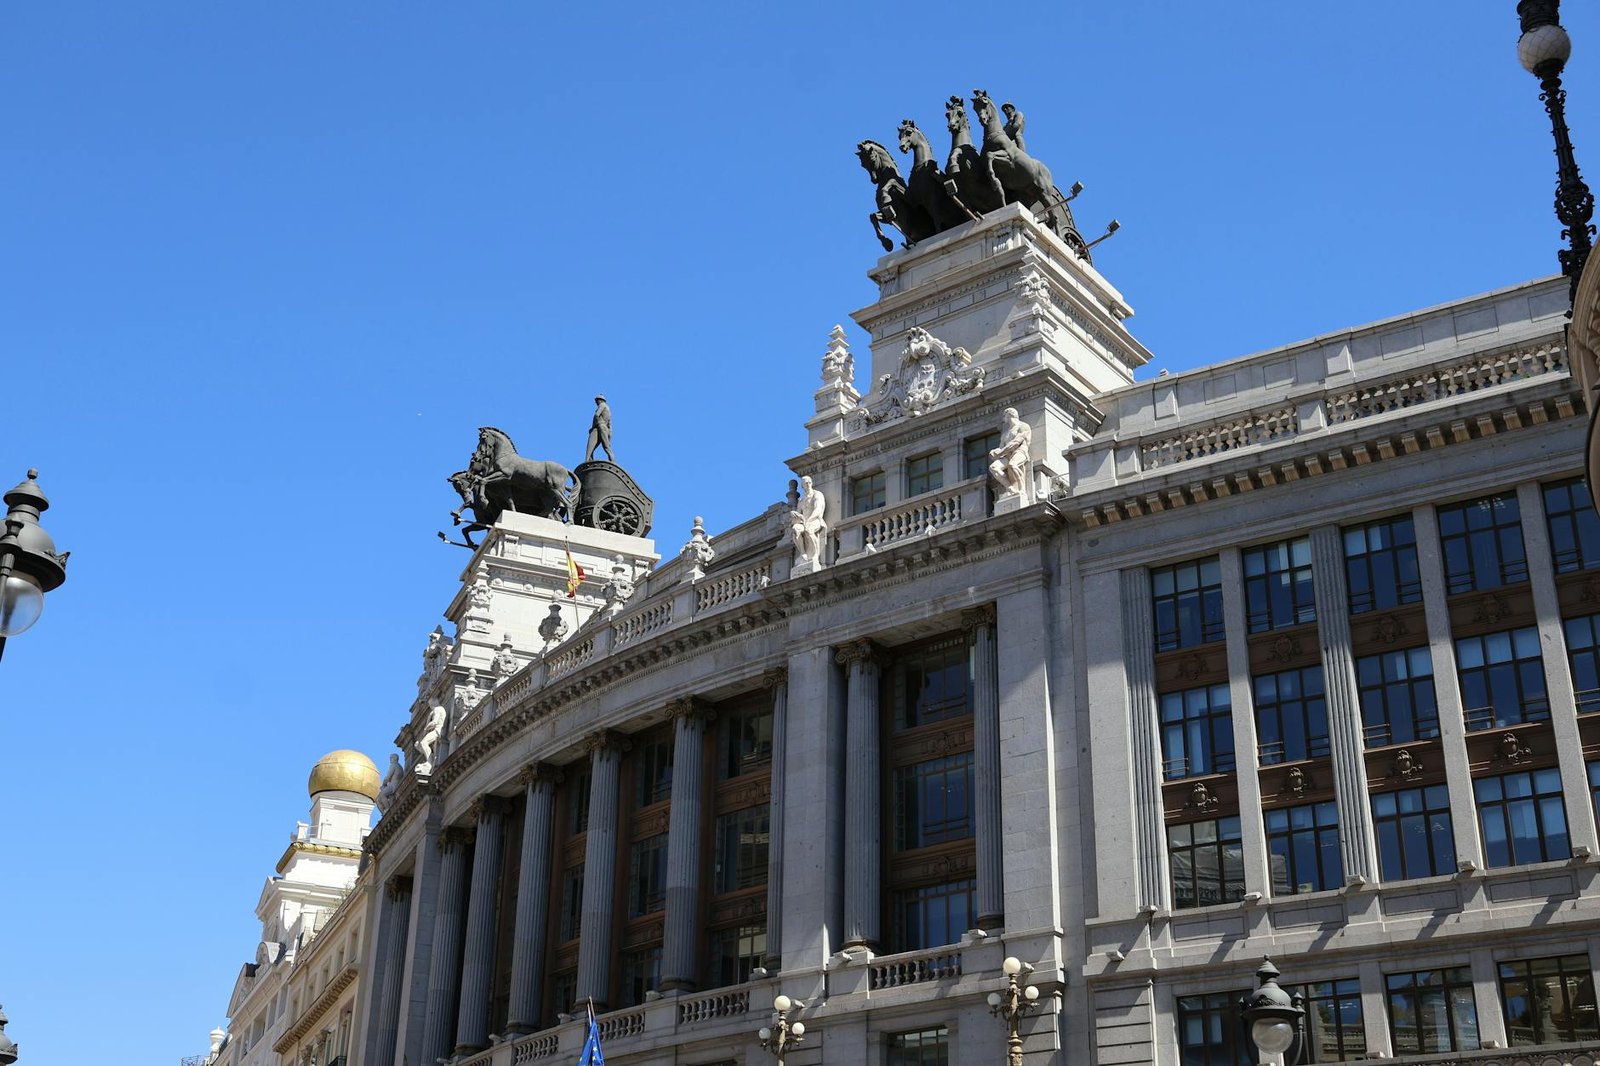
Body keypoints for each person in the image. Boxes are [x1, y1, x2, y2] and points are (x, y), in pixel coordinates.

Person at [988, 407, 1033, 497]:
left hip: (1020, 451)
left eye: (1004, 416)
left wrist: (1000, 452)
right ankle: (1011, 488)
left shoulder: (1023, 426)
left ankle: (1021, 489)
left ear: (1009, 415)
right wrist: (994, 452)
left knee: (1013, 465)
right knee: (993, 467)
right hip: (1007, 455)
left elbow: (1016, 443)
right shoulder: (1005, 434)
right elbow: (1001, 447)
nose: (1003, 418)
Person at [789, 475, 828, 567]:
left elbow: (818, 510)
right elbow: (799, 513)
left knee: (808, 530)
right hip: (804, 521)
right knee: (796, 529)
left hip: (816, 520)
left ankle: (815, 554)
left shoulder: (817, 494)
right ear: (802, 486)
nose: (808, 484)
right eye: (806, 483)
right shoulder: (801, 499)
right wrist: (795, 514)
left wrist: (809, 520)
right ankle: (803, 553)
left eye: (809, 482)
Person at [586, 394, 613, 462]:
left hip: (600, 426)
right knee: (606, 446)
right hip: (605, 429)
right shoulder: (608, 409)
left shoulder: (602, 405)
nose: (596, 402)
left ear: (600, 400)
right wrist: (609, 434)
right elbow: (610, 424)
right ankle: (590, 459)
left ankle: (612, 460)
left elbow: (596, 415)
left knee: (605, 447)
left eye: (596, 401)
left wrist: (592, 427)